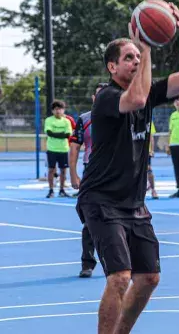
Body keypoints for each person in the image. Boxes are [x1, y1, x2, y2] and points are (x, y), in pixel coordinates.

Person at [76, 3, 179, 334]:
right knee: (120, 276)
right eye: (128, 57)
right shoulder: (106, 97)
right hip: (101, 199)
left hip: (133, 203)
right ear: (112, 66)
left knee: (150, 277)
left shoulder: (150, 90)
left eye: (137, 56)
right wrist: (144, 42)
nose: (136, 60)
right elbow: (138, 99)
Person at [69, 82, 108, 278]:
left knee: (124, 218)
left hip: (116, 174)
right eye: (98, 95)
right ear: (94, 98)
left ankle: (123, 261)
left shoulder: (124, 116)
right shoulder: (84, 119)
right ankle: (87, 263)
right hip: (92, 173)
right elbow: (75, 147)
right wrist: (73, 173)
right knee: (89, 219)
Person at [44, 100, 72, 198]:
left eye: (60, 109)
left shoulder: (67, 121)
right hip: (52, 149)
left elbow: (68, 134)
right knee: (51, 170)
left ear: (63, 110)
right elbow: (49, 132)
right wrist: (61, 134)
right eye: (56, 109)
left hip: (63, 149)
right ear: (52, 111)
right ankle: (51, 190)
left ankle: (62, 190)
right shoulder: (49, 120)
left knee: (63, 170)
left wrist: (56, 134)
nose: (58, 111)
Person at [147, 121, 159, 199]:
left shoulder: (148, 119)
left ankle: (153, 190)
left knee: (149, 169)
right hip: (132, 149)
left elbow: (151, 136)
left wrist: (152, 150)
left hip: (145, 151)